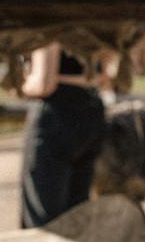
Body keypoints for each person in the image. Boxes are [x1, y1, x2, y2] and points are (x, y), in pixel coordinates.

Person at [16, 43, 107, 229]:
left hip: (56, 113)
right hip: (91, 110)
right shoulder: (92, 24)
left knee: (43, 219)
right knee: (77, 213)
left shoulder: (52, 26)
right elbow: (104, 77)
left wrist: (19, 84)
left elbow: (44, 84)